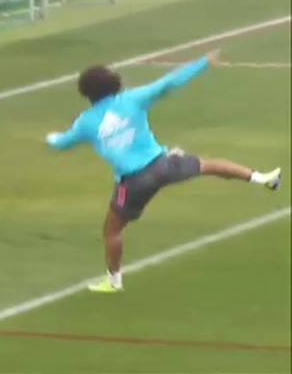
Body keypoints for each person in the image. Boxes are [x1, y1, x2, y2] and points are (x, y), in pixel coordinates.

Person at [45, 50, 281, 292]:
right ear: (114, 84)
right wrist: (203, 63)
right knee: (209, 165)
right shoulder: (132, 99)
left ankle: (114, 280)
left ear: (86, 92)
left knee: (112, 230)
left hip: (132, 182)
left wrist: (51, 138)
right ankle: (262, 178)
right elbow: (168, 84)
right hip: (164, 164)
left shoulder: (86, 122)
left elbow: (62, 143)